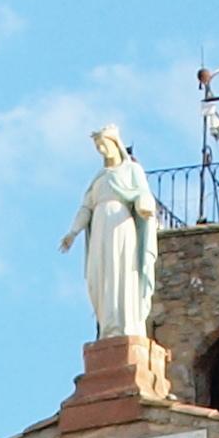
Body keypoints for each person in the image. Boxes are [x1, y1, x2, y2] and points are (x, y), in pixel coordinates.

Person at [60, 126, 158, 344]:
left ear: (115, 144)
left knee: (121, 272)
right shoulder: (99, 178)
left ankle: (125, 324)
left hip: (120, 225)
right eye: (98, 147)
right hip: (100, 230)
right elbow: (86, 208)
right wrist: (73, 232)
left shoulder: (131, 170)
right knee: (100, 276)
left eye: (105, 145)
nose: (102, 150)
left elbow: (143, 194)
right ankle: (108, 326)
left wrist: (144, 206)